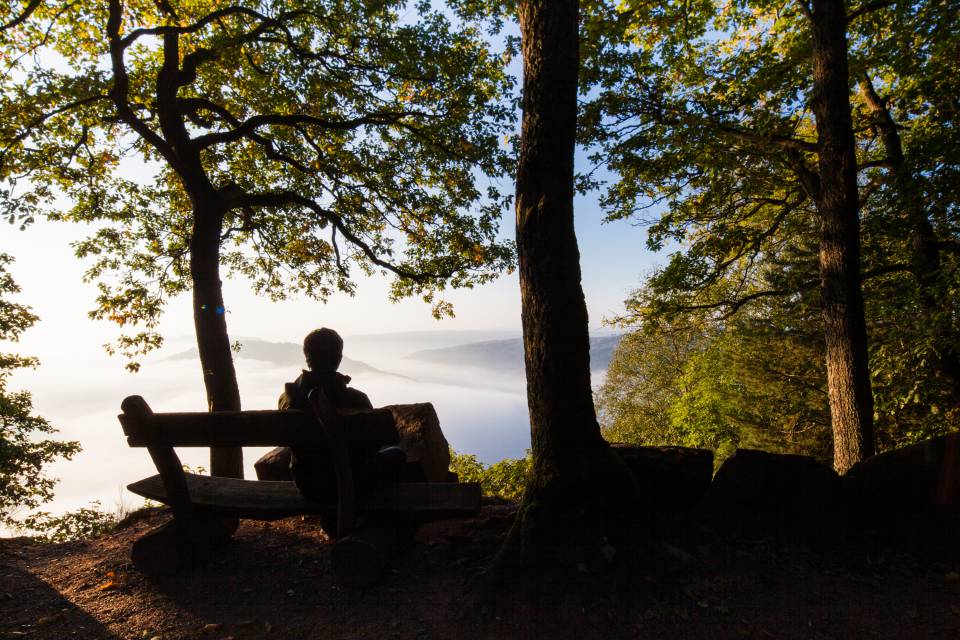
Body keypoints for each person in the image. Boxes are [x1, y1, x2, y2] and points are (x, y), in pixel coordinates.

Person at [281, 328, 405, 502]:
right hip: (353, 483)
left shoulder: (288, 399)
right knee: (397, 454)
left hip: (308, 486)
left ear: (307, 357)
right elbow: (374, 445)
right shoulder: (356, 399)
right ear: (338, 358)